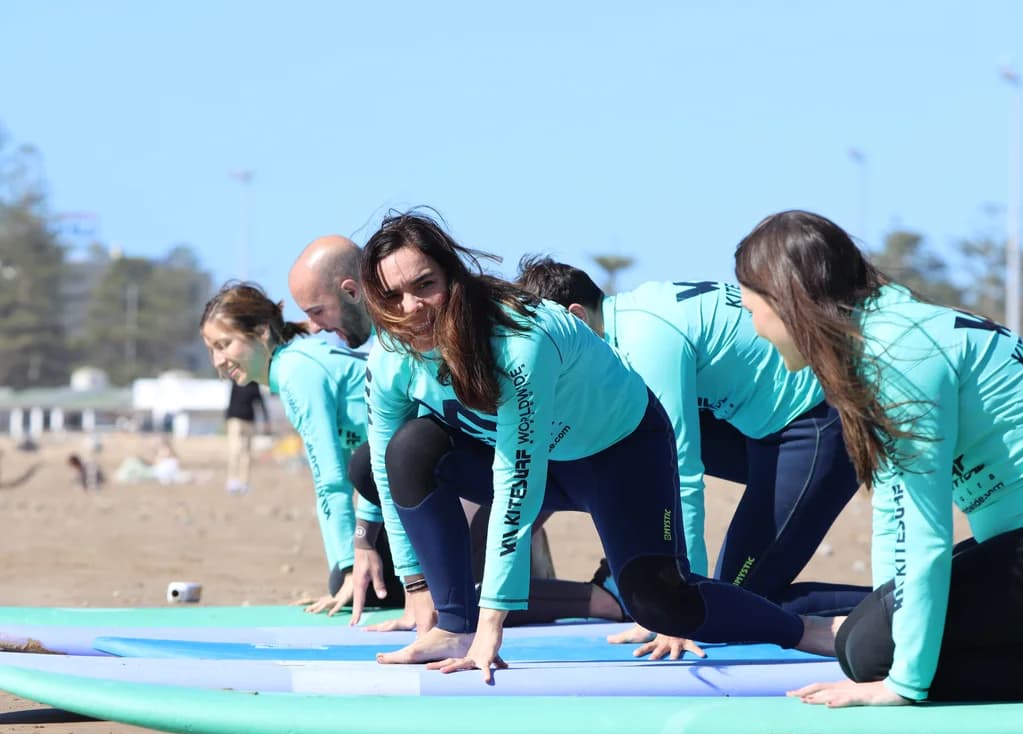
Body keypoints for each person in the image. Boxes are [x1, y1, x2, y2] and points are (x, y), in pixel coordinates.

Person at [732, 209, 1023, 707]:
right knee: (869, 642)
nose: (753, 324)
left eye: (752, 307)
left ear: (787, 299)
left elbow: (922, 526)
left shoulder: (898, 354)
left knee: (874, 655)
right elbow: (893, 515)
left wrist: (902, 684)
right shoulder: (893, 330)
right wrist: (886, 616)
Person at [356, 210, 820, 681]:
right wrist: (416, 586)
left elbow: (517, 482)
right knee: (409, 448)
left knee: (661, 604)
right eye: (393, 296)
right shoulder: (392, 357)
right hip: (545, 459)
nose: (413, 306)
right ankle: (451, 625)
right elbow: (380, 463)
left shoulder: (517, 339)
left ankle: (807, 630)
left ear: (452, 275)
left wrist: (492, 629)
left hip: (620, 456)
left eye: (424, 284)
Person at [514, 258, 862, 621]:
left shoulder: (644, 341)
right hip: (765, 424)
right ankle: (628, 575)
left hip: (818, 424)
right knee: (631, 437)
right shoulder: (631, 315)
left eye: (546, 342)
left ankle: (911, 611)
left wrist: (678, 603)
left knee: (737, 604)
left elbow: (682, 475)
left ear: (577, 318)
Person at [287, 235, 562, 614]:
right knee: (372, 464)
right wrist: (381, 556)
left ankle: (595, 596)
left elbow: (517, 457)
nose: (313, 327)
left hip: (540, 458)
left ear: (351, 292)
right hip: (476, 459)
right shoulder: (388, 349)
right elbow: (381, 453)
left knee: (489, 585)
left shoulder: (434, 324)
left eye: (317, 311)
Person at [201, 281, 407, 618]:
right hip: (400, 485)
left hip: (426, 484)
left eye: (224, 345)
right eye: (211, 349)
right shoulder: (297, 361)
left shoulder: (297, 371)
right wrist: (344, 569)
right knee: (345, 581)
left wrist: (351, 571)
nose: (218, 361)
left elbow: (332, 482)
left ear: (262, 332)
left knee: (366, 588)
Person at [224, 380, 269, 494]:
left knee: (246, 453)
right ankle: (233, 481)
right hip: (236, 419)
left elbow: (260, 402)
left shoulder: (252, 383)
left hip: (247, 420)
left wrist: (266, 420)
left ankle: (243, 482)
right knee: (236, 450)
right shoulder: (236, 380)